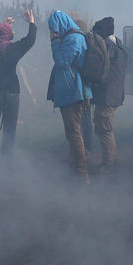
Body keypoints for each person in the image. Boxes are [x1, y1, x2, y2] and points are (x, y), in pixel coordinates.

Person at [0, 11, 38, 158]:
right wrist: (31, 23)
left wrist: (3, 26)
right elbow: (30, 40)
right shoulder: (12, 49)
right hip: (11, 93)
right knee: (9, 130)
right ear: (8, 34)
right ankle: (6, 164)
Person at [46, 10, 92, 182]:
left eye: (54, 28)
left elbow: (62, 61)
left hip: (74, 92)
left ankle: (81, 172)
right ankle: (77, 165)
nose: (53, 32)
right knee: (73, 131)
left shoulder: (73, 39)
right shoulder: (72, 37)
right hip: (72, 91)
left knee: (74, 132)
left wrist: (54, 41)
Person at [90, 16, 129, 175]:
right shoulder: (119, 45)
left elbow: (99, 65)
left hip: (107, 96)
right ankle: (112, 157)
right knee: (106, 128)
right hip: (115, 95)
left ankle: (108, 163)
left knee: (104, 129)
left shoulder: (108, 46)